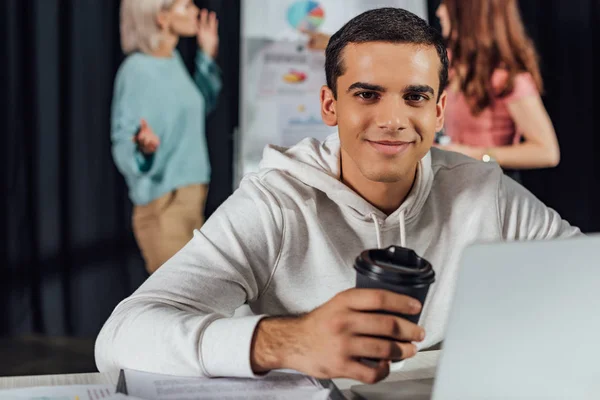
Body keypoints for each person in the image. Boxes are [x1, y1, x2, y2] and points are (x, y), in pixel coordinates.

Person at [96, 8, 579, 384]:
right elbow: (120, 337)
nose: (392, 119)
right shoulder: (276, 202)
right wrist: (282, 342)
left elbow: (585, 281)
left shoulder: (482, 190)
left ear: (438, 111)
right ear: (330, 104)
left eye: (414, 97)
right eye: (367, 95)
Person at [111, 0, 221, 274]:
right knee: (183, 305)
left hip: (193, 198)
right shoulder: (137, 69)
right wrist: (143, 149)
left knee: (202, 300)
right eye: (185, 6)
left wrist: (207, 56)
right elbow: (122, 142)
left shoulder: (172, 61)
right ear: (161, 18)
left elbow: (199, 105)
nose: (196, 10)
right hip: (164, 204)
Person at [435, 0, 560, 174]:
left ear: (469, 14)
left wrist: (476, 155)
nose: (439, 12)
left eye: (446, 5)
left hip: (491, 188)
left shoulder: (507, 79)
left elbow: (547, 152)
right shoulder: (449, 63)